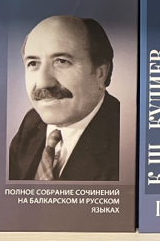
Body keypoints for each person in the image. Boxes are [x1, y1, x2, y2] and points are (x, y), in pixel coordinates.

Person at [9, 15, 120, 181]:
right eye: (33, 63)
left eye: (61, 61)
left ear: (100, 74)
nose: (43, 82)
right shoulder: (31, 123)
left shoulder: (126, 139)